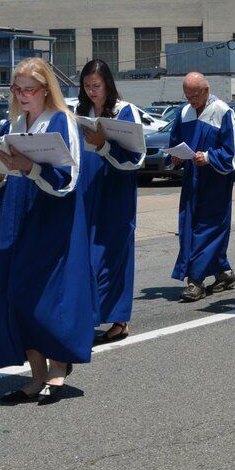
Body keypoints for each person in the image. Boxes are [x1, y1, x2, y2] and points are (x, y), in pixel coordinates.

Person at [0, 58, 95, 403]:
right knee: (15, 296)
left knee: (50, 296)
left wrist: (29, 167)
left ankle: (59, 367)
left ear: (46, 89)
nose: (22, 94)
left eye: (28, 88)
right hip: (16, 214)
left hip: (51, 216)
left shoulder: (62, 121)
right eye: (16, 88)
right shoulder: (13, 122)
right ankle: (35, 375)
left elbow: (69, 180)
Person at [76, 59, 145, 345]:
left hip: (115, 190)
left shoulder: (124, 111)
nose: (92, 91)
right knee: (86, 257)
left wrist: (104, 145)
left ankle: (119, 319)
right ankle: (89, 316)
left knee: (113, 254)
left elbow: (136, 157)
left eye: (97, 86)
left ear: (108, 84)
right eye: (87, 86)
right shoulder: (79, 112)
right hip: (87, 189)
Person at [169, 72, 235, 302]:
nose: (191, 101)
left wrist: (209, 157)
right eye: (187, 96)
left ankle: (195, 281)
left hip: (215, 180)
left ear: (206, 90)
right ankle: (223, 273)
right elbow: (175, 141)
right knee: (190, 226)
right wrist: (176, 157)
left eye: (195, 96)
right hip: (192, 180)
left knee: (208, 228)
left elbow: (231, 153)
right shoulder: (185, 112)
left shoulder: (222, 111)